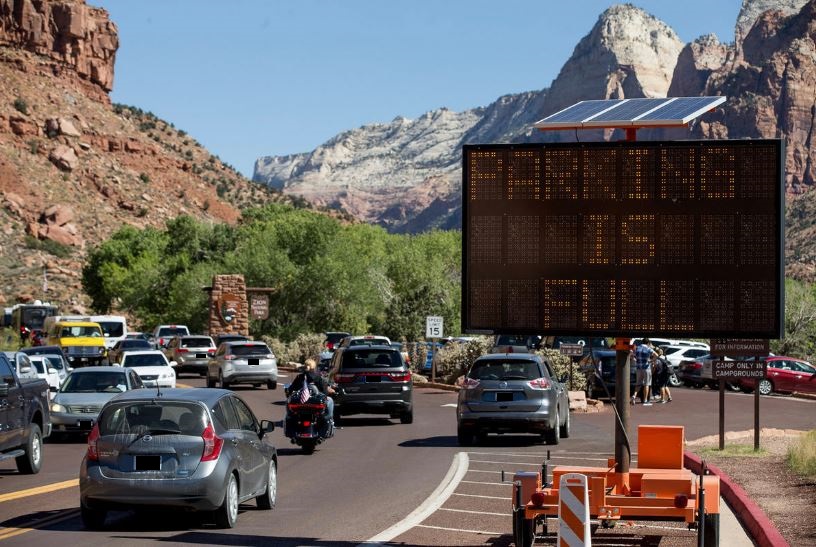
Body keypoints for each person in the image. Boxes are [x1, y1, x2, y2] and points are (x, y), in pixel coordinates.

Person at [288, 358, 336, 422]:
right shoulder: (318, 377)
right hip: (315, 402)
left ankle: (290, 417)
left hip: (300, 403)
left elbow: (291, 389)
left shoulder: (299, 377)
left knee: (288, 401)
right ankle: (328, 419)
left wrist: (289, 392)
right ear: (314, 366)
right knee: (330, 400)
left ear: (305, 366)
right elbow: (324, 391)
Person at [632, 338, 657, 406]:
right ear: (648, 343)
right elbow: (656, 355)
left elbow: (632, 356)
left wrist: (636, 360)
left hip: (638, 368)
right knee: (647, 384)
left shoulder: (637, 348)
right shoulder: (648, 349)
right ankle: (645, 400)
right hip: (646, 368)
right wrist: (651, 361)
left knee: (638, 383)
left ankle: (634, 396)